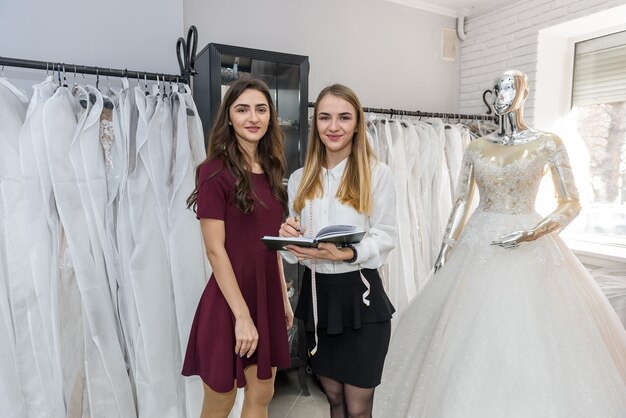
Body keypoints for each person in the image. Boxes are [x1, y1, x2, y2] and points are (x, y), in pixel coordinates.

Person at [373, 69, 626, 417]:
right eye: (498, 88)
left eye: (511, 86)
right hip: (479, 241)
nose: (503, 93)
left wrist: (535, 231)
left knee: (539, 334)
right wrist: (445, 247)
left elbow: (572, 202)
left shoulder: (547, 142)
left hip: (529, 240)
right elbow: (462, 200)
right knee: (462, 333)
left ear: (524, 92)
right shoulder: (477, 147)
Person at [279, 84, 396, 418]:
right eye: (325, 117)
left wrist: (345, 254)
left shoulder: (377, 174)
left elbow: (387, 236)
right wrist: (288, 237)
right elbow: (293, 252)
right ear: (315, 124)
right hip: (318, 299)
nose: (334, 126)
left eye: (344, 117)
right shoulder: (300, 179)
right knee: (333, 399)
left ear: (358, 123)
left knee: (358, 408)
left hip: (362, 298)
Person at [182, 77, 293, 418]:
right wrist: (242, 316)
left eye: (261, 109)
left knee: (263, 393)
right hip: (230, 301)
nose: (253, 118)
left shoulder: (273, 170)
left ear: (270, 117)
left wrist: (284, 299)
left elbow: (271, 243)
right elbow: (215, 251)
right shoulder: (213, 172)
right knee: (222, 399)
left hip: (267, 294)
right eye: (242, 109)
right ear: (228, 117)